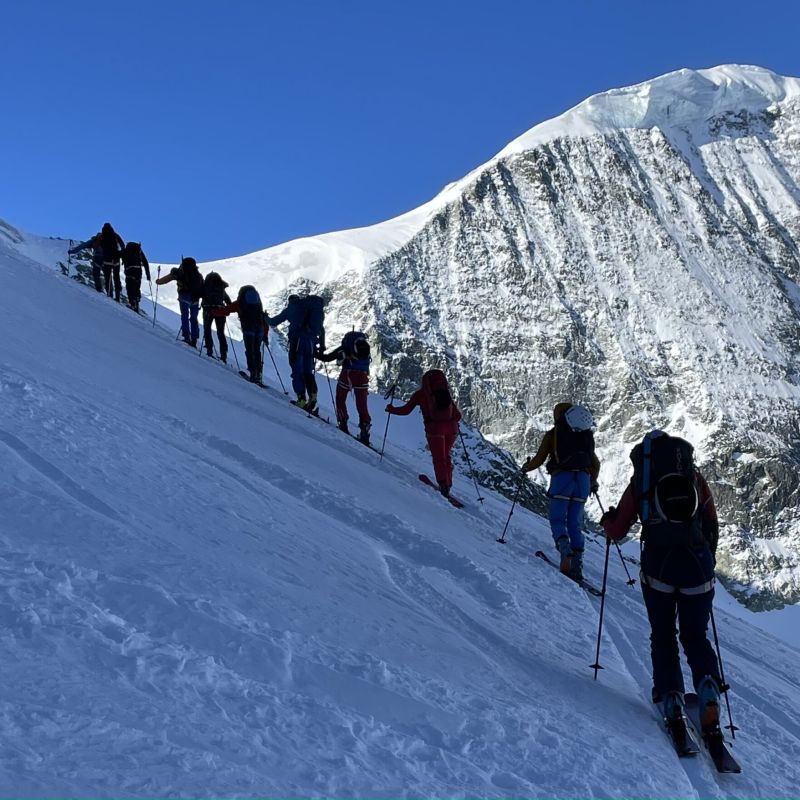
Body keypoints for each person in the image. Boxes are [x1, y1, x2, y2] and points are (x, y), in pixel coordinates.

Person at [601, 430, 723, 733]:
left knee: (664, 633)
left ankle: (671, 698)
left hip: (659, 566)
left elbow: (617, 531)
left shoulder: (642, 482)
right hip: (697, 565)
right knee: (696, 636)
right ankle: (708, 688)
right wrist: (709, 561)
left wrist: (608, 522)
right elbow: (711, 521)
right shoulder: (694, 478)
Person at [522, 403, 600, 582]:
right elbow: (595, 464)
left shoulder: (554, 434)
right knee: (575, 523)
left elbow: (539, 459)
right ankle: (577, 564)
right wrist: (593, 481)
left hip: (562, 480)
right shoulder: (586, 435)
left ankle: (565, 552)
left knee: (557, 519)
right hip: (582, 482)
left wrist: (527, 467)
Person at [386, 369, 462, 496]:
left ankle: (443, 485)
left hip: (435, 430)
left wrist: (391, 409)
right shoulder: (445, 393)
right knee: (446, 455)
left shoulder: (421, 394)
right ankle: (447, 483)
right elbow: (458, 416)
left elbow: (406, 410)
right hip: (452, 429)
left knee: (439, 458)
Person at [265, 294, 325, 411]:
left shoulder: (292, 308)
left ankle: (301, 399)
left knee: (297, 371)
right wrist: (322, 345)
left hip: (297, 343)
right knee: (308, 372)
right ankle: (313, 396)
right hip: (311, 344)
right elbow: (321, 329)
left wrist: (264, 317)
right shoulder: (313, 309)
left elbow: (273, 322)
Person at [316, 330, 372, 444]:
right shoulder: (366, 349)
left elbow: (327, 358)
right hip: (363, 377)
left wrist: (314, 353)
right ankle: (365, 430)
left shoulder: (346, 347)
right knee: (362, 404)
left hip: (348, 375)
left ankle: (343, 422)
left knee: (340, 398)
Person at [212, 285, 266, 382]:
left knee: (250, 351)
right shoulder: (258, 302)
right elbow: (263, 316)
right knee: (257, 351)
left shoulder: (241, 302)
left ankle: (253, 373)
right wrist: (265, 333)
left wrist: (213, 312)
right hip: (260, 330)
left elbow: (226, 310)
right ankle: (259, 374)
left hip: (248, 329)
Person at [156, 256, 204, 346]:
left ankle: (186, 337)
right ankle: (194, 339)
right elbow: (202, 287)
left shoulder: (180, 272)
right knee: (194, 319)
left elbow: (168, 278)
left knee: (184, 316)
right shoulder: (198, 274)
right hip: (195, 299)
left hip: (184, 297)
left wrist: (158, 281)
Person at [201, 272, 232, 361]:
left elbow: (199, 294)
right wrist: (227, 310)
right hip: (220, 311)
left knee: (207, 330)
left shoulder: (205, 286)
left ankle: (209, 350)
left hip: (207, 310)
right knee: (221, 333)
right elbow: (228, 301)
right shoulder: (221, 287)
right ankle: (223, 355)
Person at [120, 241, 151, 313]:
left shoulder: (125, 250)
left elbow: (116, 255)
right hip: (138, 271)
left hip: (129, 270)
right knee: (137, 287)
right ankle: (137, 302)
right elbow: (145, 262)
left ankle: (132, 304)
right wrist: (148, 275)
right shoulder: (138, 251)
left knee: (129, 287)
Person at [99, 222, 125, 302]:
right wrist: (120, 255)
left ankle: (109, 293)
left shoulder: (102, 236)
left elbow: (100, 246)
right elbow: (123, 246)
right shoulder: (115, 235)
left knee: (107, 277)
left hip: (106, 260)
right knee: (116, 277)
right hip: (116, 259)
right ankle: (117, 296)